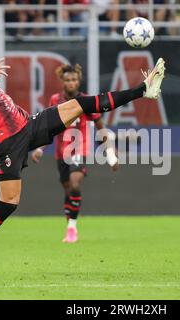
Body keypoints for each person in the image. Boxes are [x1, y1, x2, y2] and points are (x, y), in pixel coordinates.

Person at [0, 31, 165, 277]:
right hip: (8, 143)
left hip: (28, 124)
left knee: (81, 105)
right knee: (9, 203)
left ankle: (144, 90)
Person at [31, 63, 118, 244]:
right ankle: (70, 228)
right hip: (61, 152)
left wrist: (111, 153)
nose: (71, 83)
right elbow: (49, 129)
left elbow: (102, 129)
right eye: (67, 80)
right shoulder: (55, 100)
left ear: (79, 82)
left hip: (80, 149)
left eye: (74, 80)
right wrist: (40, 148)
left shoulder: (87, 101)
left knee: (75, 184)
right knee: (68, 189)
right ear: (62, 82)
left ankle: (72, 227)